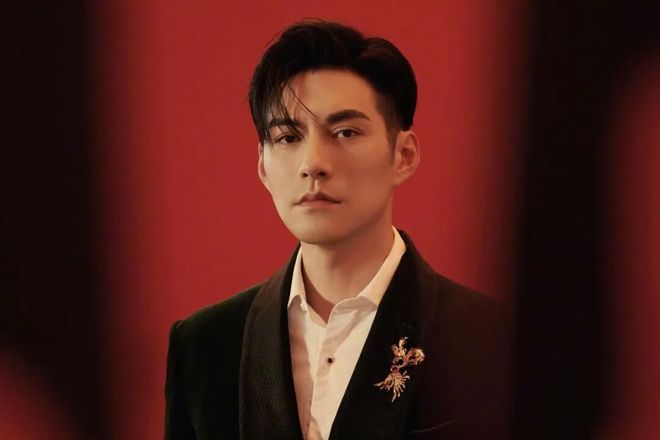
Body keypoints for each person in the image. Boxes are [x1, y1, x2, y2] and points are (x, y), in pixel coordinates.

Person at [164, 19, 511, 439]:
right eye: (288, 137)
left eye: (345, 132)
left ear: (403, 155)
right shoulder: (204, 345)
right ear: (263, 166)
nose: (314, 163)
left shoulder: (493, 342)